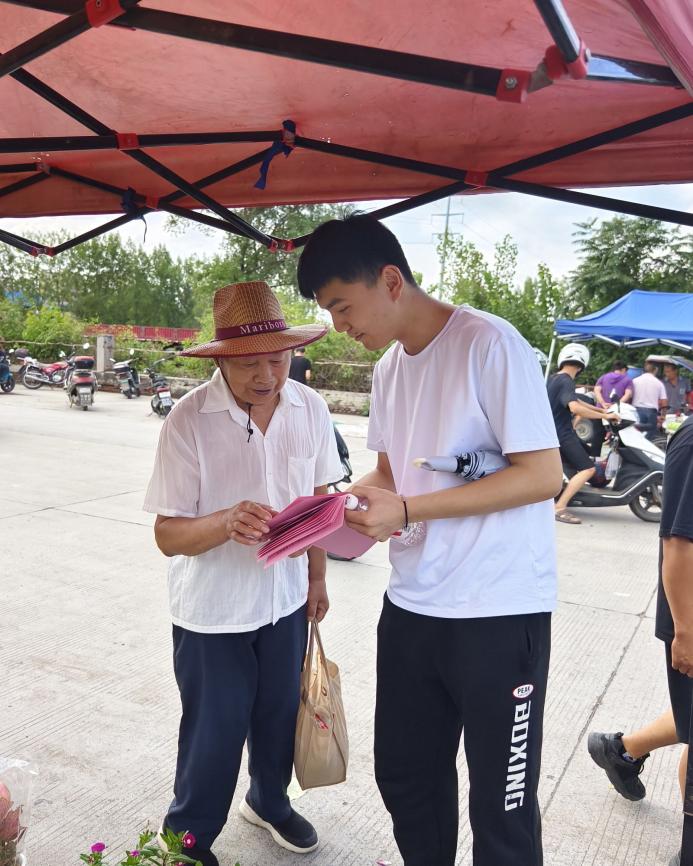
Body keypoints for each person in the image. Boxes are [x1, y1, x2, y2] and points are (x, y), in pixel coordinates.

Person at [297, 213, 563, 866]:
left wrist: (410, 509)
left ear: (390, 281)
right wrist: (320, 512)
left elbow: (541, 475)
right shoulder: (390, 369)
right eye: (328, 312)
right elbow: (391, 474)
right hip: (414, 605)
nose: (338, 325)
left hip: (497, 611)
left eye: (342, 306)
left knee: (501, 806)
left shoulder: (488, 344)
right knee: (406, 777)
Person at [143, 281, 343, 866]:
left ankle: (269, 801)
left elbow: (318, 497)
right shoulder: (188, 420)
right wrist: (225, 522)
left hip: (285, 602)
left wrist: (317, 579)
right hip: (213, 612)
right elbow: (167, 535)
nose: (267, 375)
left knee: (278, 717)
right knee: (215, 731)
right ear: (222, 360)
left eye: (278, 359)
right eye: (250, 362)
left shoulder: (310, 408)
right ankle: (187, 838)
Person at [546, 344, 620, 525]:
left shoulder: (554, 378)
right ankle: (559, 507)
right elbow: (574, 407)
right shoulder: (567, 381)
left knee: (586, 454)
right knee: (588, 469)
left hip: (552, 433)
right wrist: (605, 416)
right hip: (562, 434)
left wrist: (602, 410)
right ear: (581, 366)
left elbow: (576, 400)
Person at [632, 361, 667, 439]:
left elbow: (630, 396)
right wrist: (663, 416)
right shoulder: (659, 383)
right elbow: (664, 402)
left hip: (636, 411)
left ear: (643, 370)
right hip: (651, 413)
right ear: (655, 370)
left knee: (635, 435)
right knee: (650, 436)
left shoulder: (634, 381)